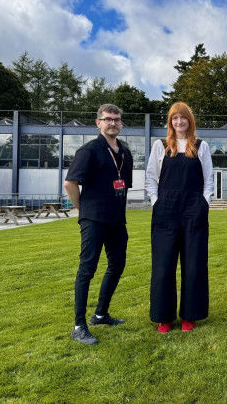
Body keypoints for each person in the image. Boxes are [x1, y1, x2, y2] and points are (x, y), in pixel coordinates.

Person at [64, 103, 133, 345]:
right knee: (87, 269)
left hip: (117, 220)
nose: (113, 122)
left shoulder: (125, 152)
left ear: (121, 123)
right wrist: (84, 210)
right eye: (108, 119)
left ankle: (100, 314)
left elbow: (122, 186)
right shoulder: (89, 150)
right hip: (94, 219)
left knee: (117, 265)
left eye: (116, 119)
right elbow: (70, 183)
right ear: (98, 123)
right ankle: (78, 325)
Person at [145, 102, 214, 333]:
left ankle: (190, 315)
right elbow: (151, 177)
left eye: (183, 118)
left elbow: (208, 179)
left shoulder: (200, 146)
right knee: (163, 266)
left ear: (189, 120)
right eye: (175, 118)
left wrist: (204, 203)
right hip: (165, 210)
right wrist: (156, 202)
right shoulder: (161, 145)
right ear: (170, 121)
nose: (179, 122)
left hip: (194, 209)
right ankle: (163, 317)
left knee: (194, 265)